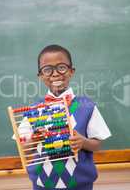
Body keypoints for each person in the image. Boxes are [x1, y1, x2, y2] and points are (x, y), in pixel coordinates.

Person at [17, 44, 111, 190]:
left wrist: (83, 142)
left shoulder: (87, 106)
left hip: (79, 183)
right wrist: (33, 140)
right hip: (43, 183)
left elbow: (97, 144)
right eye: (47, 70)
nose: (55, 74)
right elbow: (24, 148)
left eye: (61, 67)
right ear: (40, 76)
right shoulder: (33, 110)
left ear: (71, 71)